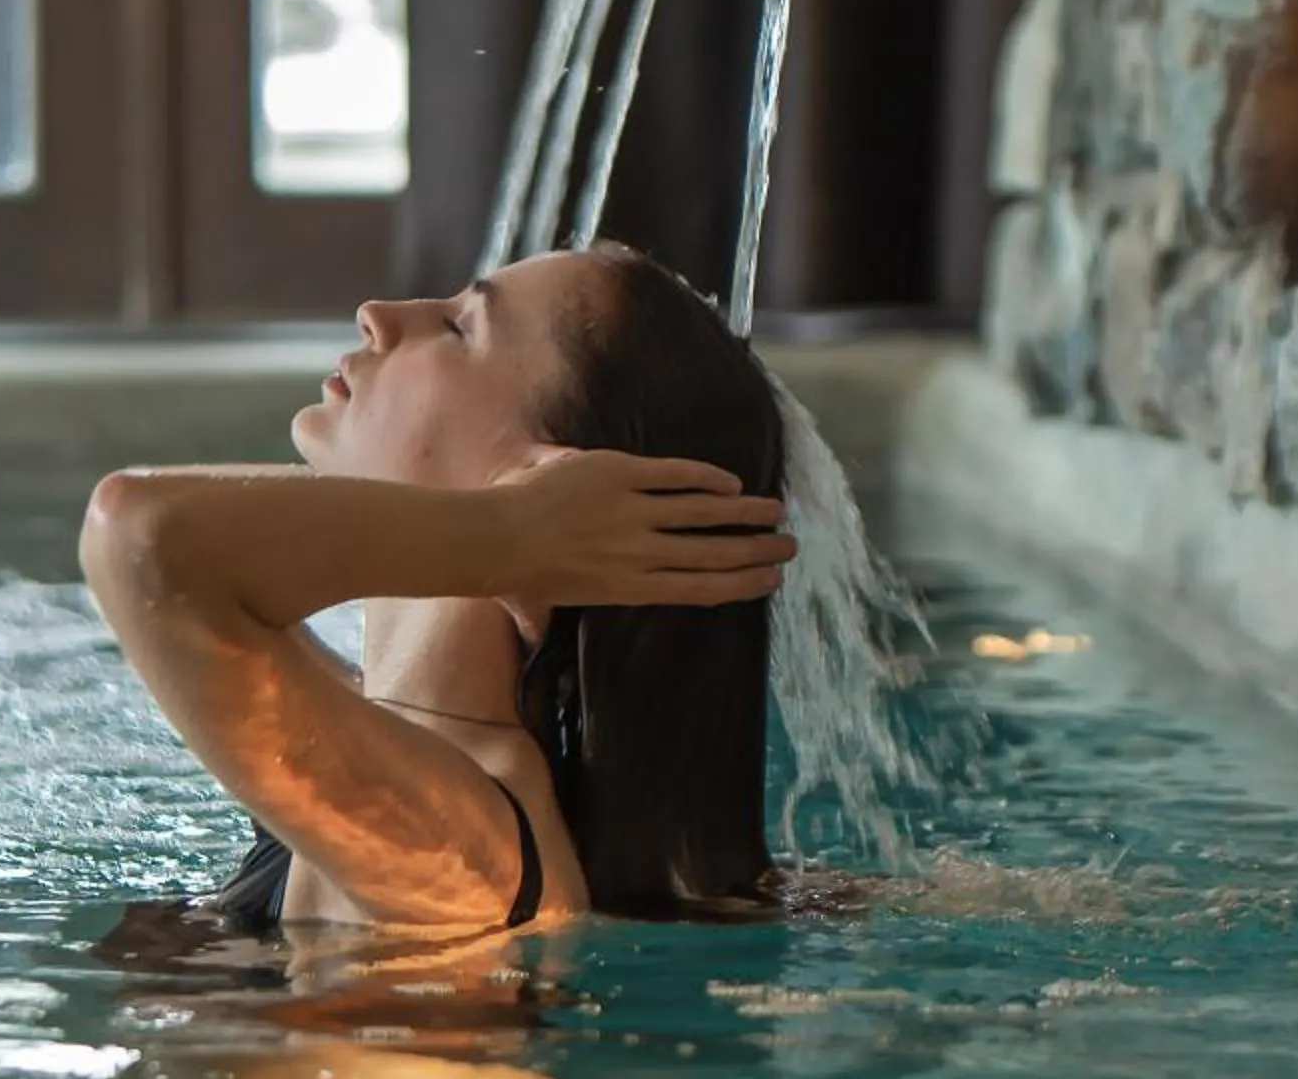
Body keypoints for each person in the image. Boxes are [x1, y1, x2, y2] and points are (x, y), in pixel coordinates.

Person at [81, 242, 795, 934]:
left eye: (458, 328)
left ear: (560, 488)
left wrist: (511, 535)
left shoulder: (470, 848)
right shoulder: (380, 720)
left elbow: (144, 539)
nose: (380, 313)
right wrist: (497, 533)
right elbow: (200, 569)